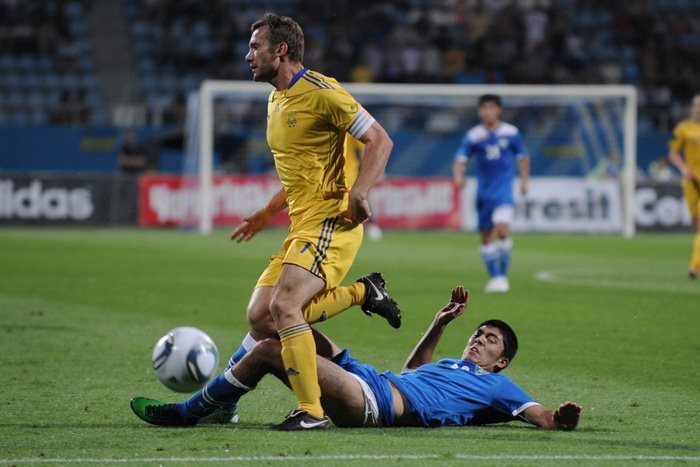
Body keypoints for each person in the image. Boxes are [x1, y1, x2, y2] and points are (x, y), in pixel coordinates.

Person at [218, 13, 400, 430]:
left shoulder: (322, 92)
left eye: (255, 47)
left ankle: (311, 410)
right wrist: (267, 212)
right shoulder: (275, 99)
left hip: (331, 221)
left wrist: (359, 192)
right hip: (301, 224)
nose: (248, 55)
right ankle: (362, 293)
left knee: (284, 306)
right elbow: (299, 173)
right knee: (261, 317)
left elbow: (380, 139)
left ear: (280, 50)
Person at [131, 285, 582, 431]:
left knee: (272, 351)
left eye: (491, 340)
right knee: (275, 320)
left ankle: (189, 411)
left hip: (373, 402)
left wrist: (562, 417)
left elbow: (543, 418)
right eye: (479, 333)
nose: (480, 339)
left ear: (502, 362)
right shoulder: (451, 366)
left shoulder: (498, 386)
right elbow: (413, 370)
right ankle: (224, 405)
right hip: (368, 376)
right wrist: (440, 322)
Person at [453, 94, 530, 293]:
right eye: (484, 108)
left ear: (498, 110)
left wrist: (524, 181)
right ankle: (496, 277)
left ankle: (501, 276)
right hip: (484, 192)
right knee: (486, 237)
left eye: (491, 107)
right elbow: (461, 159)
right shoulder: (474, 135)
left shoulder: (511, 132)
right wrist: (459, 176)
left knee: (502, 230)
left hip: (503, 191)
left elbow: (522, 157)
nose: (488, 112)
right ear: (480, 111)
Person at [668, 94, 700, 279]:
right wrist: (683, 168)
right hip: (691, 181)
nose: (699, 108)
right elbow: (673, 153)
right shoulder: (684, 129)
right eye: (697, 105)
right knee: (696, 224)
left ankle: (694, 266)